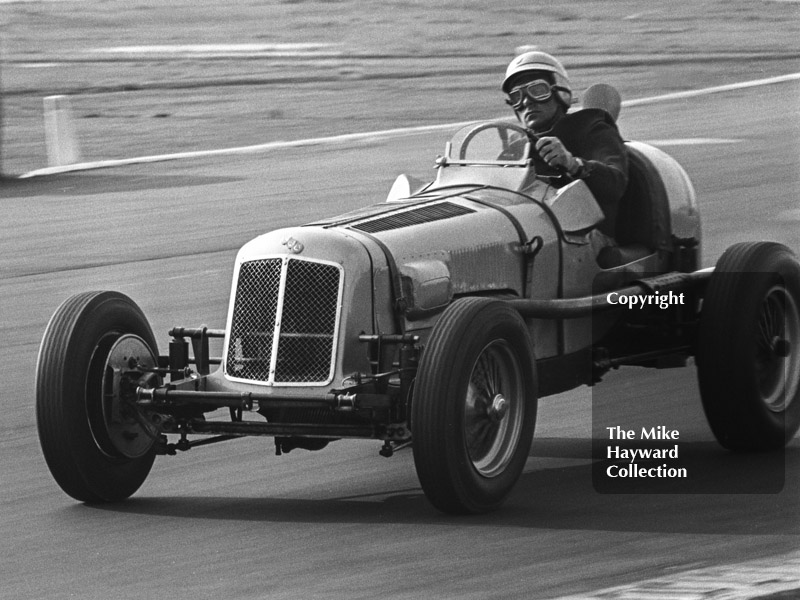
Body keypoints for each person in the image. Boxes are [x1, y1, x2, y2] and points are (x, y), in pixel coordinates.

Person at [502, 51, 628, 242]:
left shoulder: (590, 127)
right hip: (529, 233)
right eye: (517, 96)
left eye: (537, 90)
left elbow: (616, 184)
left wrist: (574, 164)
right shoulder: (517, 145)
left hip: (583, 239)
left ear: (559, 92)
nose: (526, 101)